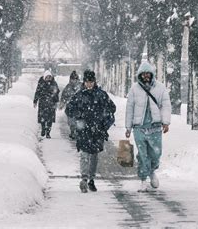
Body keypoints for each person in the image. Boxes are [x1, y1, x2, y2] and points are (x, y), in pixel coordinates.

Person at [125, 61, 171, 192]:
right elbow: (130, 108)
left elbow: (166, 106)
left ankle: (152, 172)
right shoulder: (134, 89)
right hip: (139, 127)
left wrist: (166, 122)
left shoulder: (160, 88)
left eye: (148, 74)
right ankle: (143, 179)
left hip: (155, 127)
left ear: (152, 75)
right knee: (142, 154)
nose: (146, 76)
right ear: (140, 75)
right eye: (143, 74)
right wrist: (128, 127)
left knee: (156, 153)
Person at [67, 70, 116, 193]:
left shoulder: (101, 95)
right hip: (83, 130)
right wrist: (78, 115)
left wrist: (104, 123)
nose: (89, 84)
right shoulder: (79, 95)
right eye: (87, 82)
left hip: (97, 130)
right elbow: (69, 109)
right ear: (84, 82)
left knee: (94, 155)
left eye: (91, 82)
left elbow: (112, 108)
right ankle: (84, 178)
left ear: (94, 82)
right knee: (84, 154)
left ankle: (91, 179)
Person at [33, 70, 60, 139]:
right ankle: (43, 129)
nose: (48, 78)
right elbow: (37, 92)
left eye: (49, 77)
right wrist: (35, 101)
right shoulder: (41, 83)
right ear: (44, 77)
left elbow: (57, 93)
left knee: (50, 120)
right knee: (43, 118)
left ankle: (48, 132)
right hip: (43, 104)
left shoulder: (54, 83)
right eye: (47, 77)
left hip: (51, 104)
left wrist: (56, 102)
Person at [59, 70, 82, 139]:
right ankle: (72, 132)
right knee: (71, 121)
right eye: (72, 79)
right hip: (70, 107)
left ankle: (78, 132)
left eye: (75, 79)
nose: (73, 81)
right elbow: (64, 96)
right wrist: (62, 104)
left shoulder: (81, 86)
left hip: (80, 107)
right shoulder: (68, 87)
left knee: (79, 121)